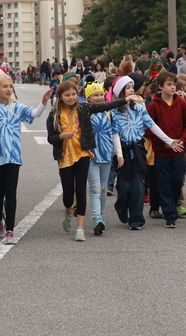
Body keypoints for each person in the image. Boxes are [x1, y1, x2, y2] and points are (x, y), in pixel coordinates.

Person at [47, 80, 138, 241]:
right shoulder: (54, 114)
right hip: (65, 157)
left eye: (74, 94)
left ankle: (80, 228)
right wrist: (61, 136)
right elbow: (51, 138)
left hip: (84, 154)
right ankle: (68, 211)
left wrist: (126, 99)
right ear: (60, 97)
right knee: (68, 195)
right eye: (67, 95)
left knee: (82, 190)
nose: (71, 97)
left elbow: (105, 106)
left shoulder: (83, 108)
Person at [0, 74, 51, 244]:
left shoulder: (16, 107)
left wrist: (43, 102)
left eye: (10, 86)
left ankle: (10, 229)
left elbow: (35, 113)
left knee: (11, 192)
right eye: (4, 86)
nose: (8, 89)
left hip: (14, 156)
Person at [111, 75, 176, 231]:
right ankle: (121, 206)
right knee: (124, 186)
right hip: (122, 151)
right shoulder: (113, 110)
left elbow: (152, 126)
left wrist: (169, 140)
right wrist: (118, 153)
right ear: (120, 92)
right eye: (127, 87)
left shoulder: (140, 108)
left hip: (138, 150)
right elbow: (114, 134)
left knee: (138, 186)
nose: (132, 90)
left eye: (132, 87)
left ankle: (136, 219)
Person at [145, 71, 186, 228]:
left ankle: (173, 205)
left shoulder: (181, 104)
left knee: (177, 180)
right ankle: (169, 215)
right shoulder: (153, 106)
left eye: (174, 84)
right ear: (160, 87)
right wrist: (164, 142)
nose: (173, 87)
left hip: (178, 150)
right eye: (169, 84)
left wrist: (183, 139)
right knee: (163, 182)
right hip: (161, 152)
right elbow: (148, 129)